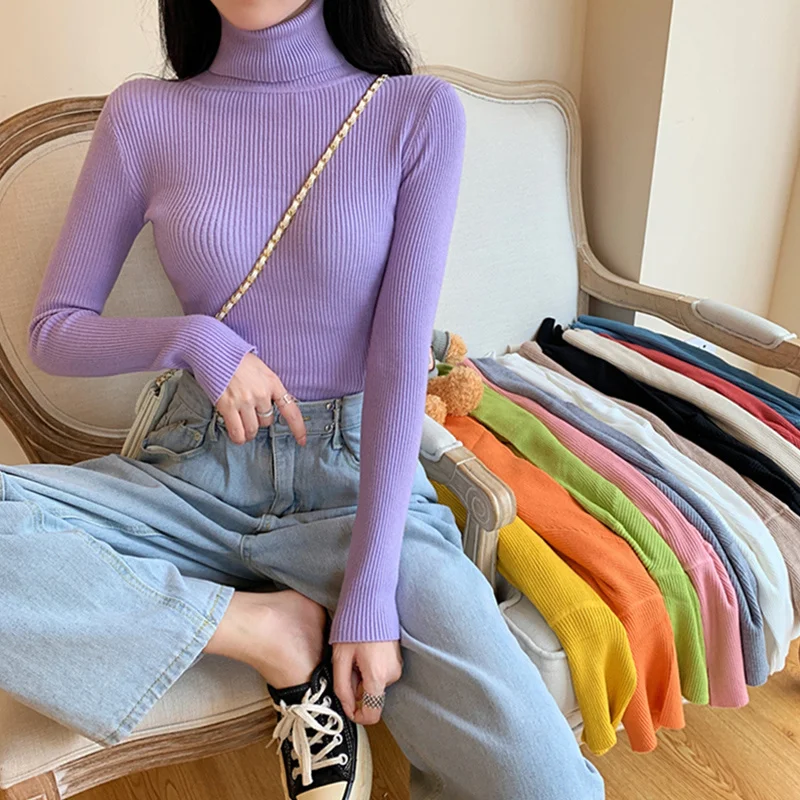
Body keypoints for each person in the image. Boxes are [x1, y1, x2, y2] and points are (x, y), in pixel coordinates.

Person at [1, 0, 605, 798]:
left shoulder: (413, 112)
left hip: (357, 485)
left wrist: (369, 593)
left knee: (544, 785)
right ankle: (271, 632)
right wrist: (195, 339)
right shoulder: (143, 115)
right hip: (192, 473)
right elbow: (54, 331)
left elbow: (398, 362)